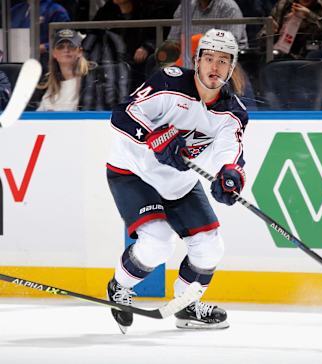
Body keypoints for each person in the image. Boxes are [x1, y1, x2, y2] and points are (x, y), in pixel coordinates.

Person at [106, 28, 248, 333]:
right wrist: (152, 137)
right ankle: (120, 286)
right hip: (134, 171)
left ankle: (186, 308)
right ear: (196, 60)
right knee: (158, 241)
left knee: (210, 248)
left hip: (178, 182)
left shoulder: (233, 112)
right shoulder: (169, 81)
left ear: (232, 67)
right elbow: (122, 114)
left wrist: (231, 176)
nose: (214, 67)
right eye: (208, 58)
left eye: (223, 61)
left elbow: (231, 154)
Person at [36, 29, 90, 111]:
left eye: (71, 46)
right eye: (60, 47)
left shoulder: (89, 83)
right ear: (54, 53)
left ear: (79, 52)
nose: (66, 50)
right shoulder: (49, 86)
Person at [11, 0, 71, 71]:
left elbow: (65, 37)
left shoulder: (56, 10)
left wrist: (45, 46)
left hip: (44, 63)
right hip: (16, 60)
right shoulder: (15, 10)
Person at [257, 0, 322, 59]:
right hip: (281, 57)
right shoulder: (283, 5)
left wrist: (310, 16)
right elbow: (260, 42)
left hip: (312, 57)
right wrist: (269, 32)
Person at [167, 0, 249, 49]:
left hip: (224, 61)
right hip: (190, 60)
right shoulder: (185, 7)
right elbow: (172, 41)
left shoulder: (229, 7)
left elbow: (229, 44)